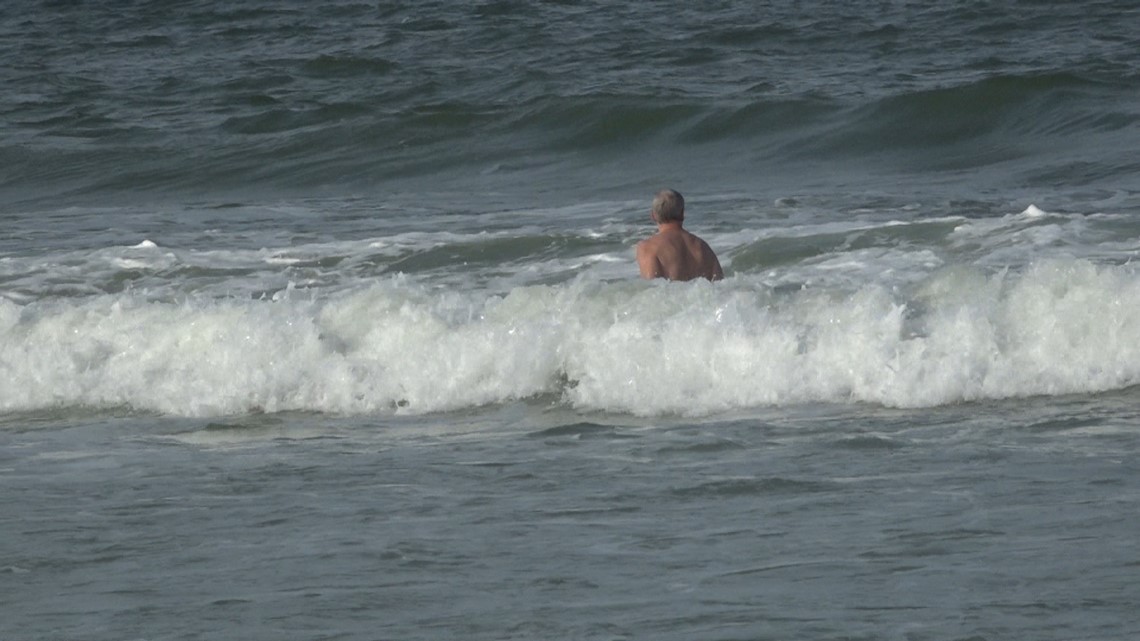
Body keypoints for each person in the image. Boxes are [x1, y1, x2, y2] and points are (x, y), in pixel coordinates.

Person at [636, 189, 724, 281]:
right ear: (682, 213)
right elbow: (721, 286)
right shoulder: (704, 248)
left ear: (653, 215)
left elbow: (651, 289)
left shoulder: (648, 247)